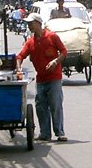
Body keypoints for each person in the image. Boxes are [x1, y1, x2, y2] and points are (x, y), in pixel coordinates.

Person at [15, 13, 67, 141]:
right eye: (28, 24)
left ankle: (59, 133)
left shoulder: (52, 37)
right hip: (41, 79)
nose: (29, 26)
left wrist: (55, 61)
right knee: (41, 107)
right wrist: (18, 69)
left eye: (31, 23)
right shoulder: (30, 42)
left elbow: (64, 52)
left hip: (54, 77)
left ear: (38, 23)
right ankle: (45, 134)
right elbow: (20, 56)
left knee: (55, 105)